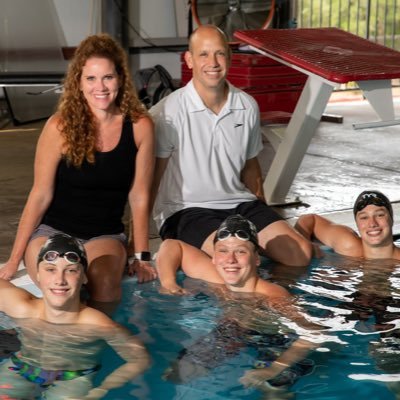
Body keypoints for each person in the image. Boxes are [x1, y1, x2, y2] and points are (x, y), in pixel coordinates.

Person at [0, 33, 157, 307]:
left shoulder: (141, 126)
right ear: (79, 83)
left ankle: (97, 346)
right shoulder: (59, 127)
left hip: (104, 235)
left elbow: (140, 196)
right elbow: (39, 195)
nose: (101, 87)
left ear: (120, 78)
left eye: (108, 77)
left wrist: (141, 256)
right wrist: (14, 260)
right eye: (91, 78)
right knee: (56, 284)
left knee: (106, 288)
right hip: (53, 230)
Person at [150, 24, 312, 267]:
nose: (213, 62)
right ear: (189, 60)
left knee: (300, 254)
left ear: (230, 57)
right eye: (203, 54)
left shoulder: (246, 105)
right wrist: (138, 240)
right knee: (234, 261)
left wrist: (264, 215)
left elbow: (250, 165)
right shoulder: (168, 112)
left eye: (219, 53)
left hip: (239, 204)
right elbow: (152, 176)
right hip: (187, 210)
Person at [156, 215, 320, 393]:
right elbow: (172, 245)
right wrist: (168, 282)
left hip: (274, 341)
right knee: (176, 373)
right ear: (214, 257)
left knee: (273, 389)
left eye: (240, 251)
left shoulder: (272, 296)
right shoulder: (217, 278)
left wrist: (272, 369)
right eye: (223, 251)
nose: (230, 260)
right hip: (233, 332)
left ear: (256, 258)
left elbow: (314, 333)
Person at [0, 233, 150, 399]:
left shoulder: (97, 325)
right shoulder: (21, 308)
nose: (60, 280)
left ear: (84, 276)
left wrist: (101, 389)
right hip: (22, 366)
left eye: (70, 270)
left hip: (72, 378)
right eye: (50, 270)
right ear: (37, 275)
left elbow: (140, 359)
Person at [294, 190, 400, 260]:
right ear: (357, 223)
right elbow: (310, 219)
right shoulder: (349, 245)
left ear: (391, 219)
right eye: (364, 217)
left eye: (380, 215)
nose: (372, 224)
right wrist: (303, 247)